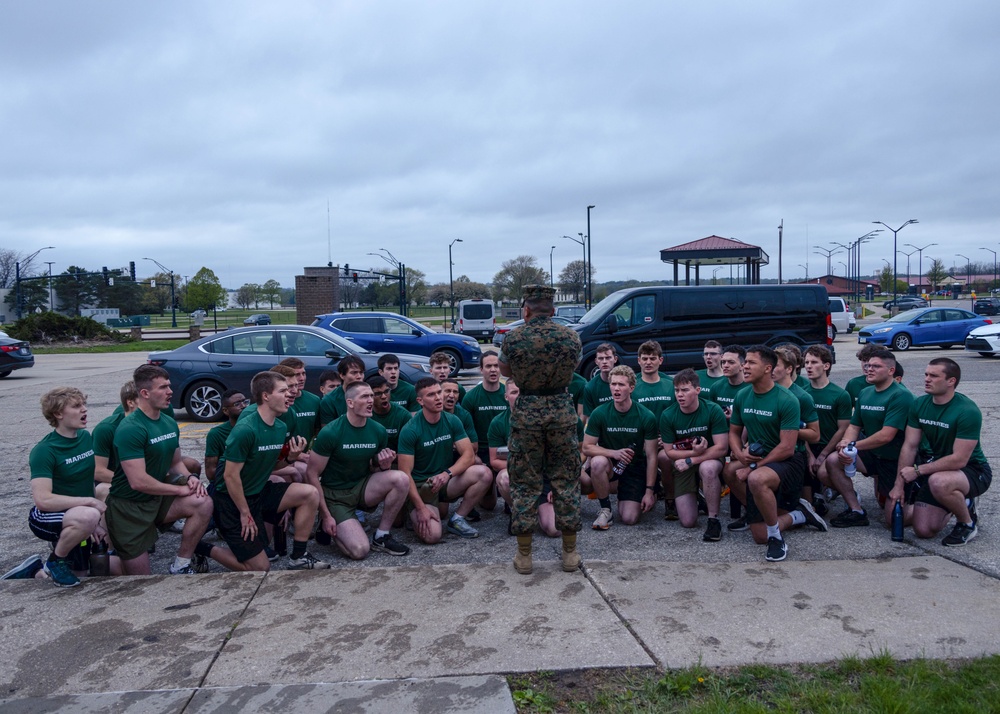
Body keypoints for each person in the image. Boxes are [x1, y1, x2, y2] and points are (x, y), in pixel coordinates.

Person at [197, 371, 330, 571]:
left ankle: (299, 556)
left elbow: (271, 466)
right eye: (283, 391)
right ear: (266, 396)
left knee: (309, 493)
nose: (290, 395)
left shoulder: (279, 426)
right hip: (231, 502)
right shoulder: (245, 429)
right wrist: (244, 513)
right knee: (260, 569)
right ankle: (202, 548)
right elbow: (230, 476)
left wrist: (289, 459)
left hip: (259, 493)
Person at [500, 284, 584, 574]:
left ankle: (524, 555)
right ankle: (570, 553)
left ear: (526, 310)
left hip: (527, 414)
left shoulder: (514, 337)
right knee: (566, 479)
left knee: (524, 481)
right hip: (561, 410)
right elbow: (574, 367)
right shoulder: (571, 336)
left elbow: (505, 372)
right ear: (553, 310)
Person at [105, 365, 214, 576]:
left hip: (156, 499)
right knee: (139, 579)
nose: (170, 391)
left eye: (169, 385)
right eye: (163, 387)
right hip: (129, 508)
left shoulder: (167, 422)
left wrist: (189, 477)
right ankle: (75, 564)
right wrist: (178, 490)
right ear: (145, 393)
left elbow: (175, 464)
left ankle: (180, 565)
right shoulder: (131, 428)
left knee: (203, 501)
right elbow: (138, 481)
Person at [723, 346, 826, 562]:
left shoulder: (787, 399)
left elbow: (787, 447)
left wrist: (752, 467)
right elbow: (733, 433)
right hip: (759, 458)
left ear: (768, 368)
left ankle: (776, 537)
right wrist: (740, 455)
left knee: (756, 478)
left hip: (789, 460)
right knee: (730, 471)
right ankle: (796, 514)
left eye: (751, 363)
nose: (745, 366)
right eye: (745, 362)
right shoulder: (743, 395)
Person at [890, 358, 992, 546]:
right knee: (922, 530)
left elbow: (959, 460)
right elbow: (910, 446)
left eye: (934, 376)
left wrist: (918, 471)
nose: (927, 379)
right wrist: (899, 484)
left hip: (973, 470)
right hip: (938, 468)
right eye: (926, 374)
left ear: (951, 381)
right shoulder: (920, 404)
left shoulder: (967, 411)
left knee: (938, 481)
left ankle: (967, 522)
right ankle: (959, 502)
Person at [306, 380, 412, 558]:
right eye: (365, 396)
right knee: (360, 550)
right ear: (350, 403)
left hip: (361, 487)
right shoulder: (331, 432)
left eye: (371, 395)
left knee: (400, 478)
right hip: (335, 496)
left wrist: (384, 466)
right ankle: (329, 523)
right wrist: (325, 515)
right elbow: (311, 474)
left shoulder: (378, 430)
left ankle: (381, 536)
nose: (371, 400)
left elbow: (373, 468)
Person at [24, 388, 117, 587]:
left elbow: (85, 483)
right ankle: (55, 561)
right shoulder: (44, 451)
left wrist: (95, 523)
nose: (84, 410)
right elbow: (43, 500)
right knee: (88, 516)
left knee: (81, 574)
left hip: (80, 515)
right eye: (76, 406)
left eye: (84, 404)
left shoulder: (84, 438)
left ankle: (35, 572)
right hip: (46, 516)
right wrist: (90, 507)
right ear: (58, 414)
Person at [821, 350, 914, 528]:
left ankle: (938, 504)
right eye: (868, 365)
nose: (869, 368)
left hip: (894, 460)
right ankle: (856, 511)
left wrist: (855, 445)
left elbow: (886, 436)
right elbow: (854, 426)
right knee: (833, 461)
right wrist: (845, 444)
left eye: (876, 366)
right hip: (872, 454)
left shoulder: (901, 395)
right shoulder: (865, 393)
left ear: (891, 370)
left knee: (893, 521)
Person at [397, 378, 492, 542]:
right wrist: (420, 509)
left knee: (483, 472)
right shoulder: (410, 429)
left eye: (439, 392)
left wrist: (447, 474)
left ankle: (457, 519)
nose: (438, 398)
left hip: (443, 481)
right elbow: (405, 475)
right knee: (432, 536)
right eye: (431, 395)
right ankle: (411, 509)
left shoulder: (452, 420)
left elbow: (469, 454)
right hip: (421, 487)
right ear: (420, 401)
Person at [582, 365, 659, 529]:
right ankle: (605, 510)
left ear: (631, 388)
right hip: (610, 466)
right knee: (597, 462)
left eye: (621, 385)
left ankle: (650, 491)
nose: (616, 389)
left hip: (634, 468)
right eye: (613, 384)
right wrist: (614, 453)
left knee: (630, 518)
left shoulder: (646, 416)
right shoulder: (600, 413)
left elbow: (652, 456)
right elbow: (587, 447)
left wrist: (649, 491)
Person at [658, 369, 729, 540]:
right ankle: (697, 498)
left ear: (697, 390)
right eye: (677, 390)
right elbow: (669, 451)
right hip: (684, 460)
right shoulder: (668, 415)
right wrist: (691, 453)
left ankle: (713, 520)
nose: (680, 395)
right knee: (688, 521)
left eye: (685, 390)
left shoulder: (712, 410)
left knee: (708, 468)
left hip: (708, 457)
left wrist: (692, 459)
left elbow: (721, 448)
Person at [802, 345, 852, 510]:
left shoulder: (840, 394)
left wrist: (823, 455)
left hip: (829, 446)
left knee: (823, 472)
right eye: (806, 362)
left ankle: (848, 494)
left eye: (814, 362)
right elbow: (800, 427)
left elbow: (843, 428)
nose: (808, 366)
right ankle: (817, 497)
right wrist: (809, 455)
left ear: (826, 366)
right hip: (808, 445)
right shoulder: (802, 393)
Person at [631, 340, 677, 518]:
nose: (648, 362)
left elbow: (675, 417)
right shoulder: (633, 386)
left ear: (661, 360)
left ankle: (670, 499)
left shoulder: (669, 386)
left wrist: (666, 439)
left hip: (666, 439)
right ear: (639, 361)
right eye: (645, 358)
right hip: (641, 440)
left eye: (652, 358)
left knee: (665, 458)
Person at [93, 380, 140, 501]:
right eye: (144, 400)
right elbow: (98, 471)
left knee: (189, 466)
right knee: (103, 490)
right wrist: (136, 481)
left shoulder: (158, 423)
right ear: (130, 403)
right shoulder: (106, 429)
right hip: (113, 480)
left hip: (143, 479)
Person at [461, 351, 508, 466]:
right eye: (488, 366)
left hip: (504, 449)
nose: (493, 369)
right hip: (480, 451)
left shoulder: (509, 395)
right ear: (481, 370)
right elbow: (464, 431)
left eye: (496, 366)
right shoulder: (470, 397)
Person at [204, 390, 249, 485]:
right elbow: (211, 473)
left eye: (245, 402)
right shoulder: (216, 434)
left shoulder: (257, 428)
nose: (243, 406)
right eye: (237, 404)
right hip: (229, 482)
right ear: (225, 411)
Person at [367, 375, 412, 453]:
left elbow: (409, 449)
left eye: (386, 391)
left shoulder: (403, 415)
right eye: (378, 394)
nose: (384, 396)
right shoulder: (364, 414)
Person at [319, 355, 367, 426]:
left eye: (361, 372)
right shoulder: (329, 400)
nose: (359, 376)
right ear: (342, 375)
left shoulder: (370, 396)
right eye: (354, 373)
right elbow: (327, 431)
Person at [581, 343, 618, 423]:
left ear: (615, 359)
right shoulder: (590, 387)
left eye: (608, 358)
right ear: (596, 361)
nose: (604, 362)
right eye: (601, 358)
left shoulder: (626, 382)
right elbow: (589, 418)